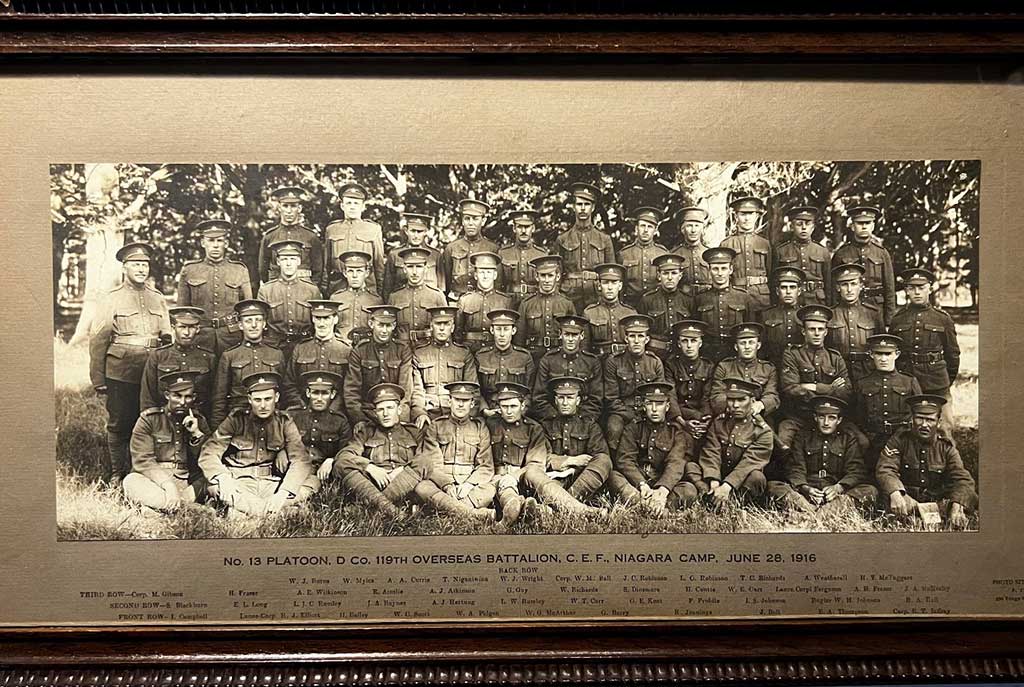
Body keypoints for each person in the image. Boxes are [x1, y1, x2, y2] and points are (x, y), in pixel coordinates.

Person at [89, 242, 173, 484]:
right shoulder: (111, 298)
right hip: (121, 371)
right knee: (120, 423)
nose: (141, 269)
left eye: (145, 264)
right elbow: (98, 340)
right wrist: (98, 379)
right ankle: (118, 472)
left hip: (152, 371)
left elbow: (167, 337)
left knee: (151, 420)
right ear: (124, 267)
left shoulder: (157, 298)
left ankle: (145, 471)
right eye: (135, 264)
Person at [199, 371, 312, 516]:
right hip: (238, 482)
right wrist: (223, 478)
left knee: (311, 482)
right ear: (249, 399)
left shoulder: (284, 422)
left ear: (277, 397)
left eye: (268, 399)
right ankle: (273, 512)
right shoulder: (236, 419)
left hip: (270, 482)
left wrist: (283, 492)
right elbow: (209, 453)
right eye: (257, 400)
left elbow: (300, 459)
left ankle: (243, 511)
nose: (263, 405)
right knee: (216, 486)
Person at [876, 394, 977, 529]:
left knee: (966, 504)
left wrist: (958, 504)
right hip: (907, 502)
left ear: (939, 422)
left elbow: (963, 479)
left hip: (936, 503)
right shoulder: (899, 441)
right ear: (912, 419)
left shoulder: (946, 447)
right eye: (919, 418)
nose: (924, 425)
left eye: (930, 420)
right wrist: (895, 492)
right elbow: (886, 469)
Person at [768, 395, 878, 515]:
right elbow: (796, 467)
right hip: (808, 493)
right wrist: (806, 488)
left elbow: (855, 470)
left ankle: (814, 513)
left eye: (832, 418)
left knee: (869, 491)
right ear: (815, 417)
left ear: (839, 420)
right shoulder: (803, 436)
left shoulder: (848, 438)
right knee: (774, 486)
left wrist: (839, 487)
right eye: (822, 417)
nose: (826, 423)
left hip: (835, 495)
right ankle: (819, 512)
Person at [608, 381, 703, 515]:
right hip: (638, 482)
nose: (654, 409)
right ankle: (655, 508)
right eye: (649, 403)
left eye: (659, 404)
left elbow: (675, 463)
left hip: (661, 480)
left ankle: (645, 505)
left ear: (667, 406)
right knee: (613, 477)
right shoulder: (633, 428)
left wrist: (663, 489)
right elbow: (625, 460)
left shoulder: (675, 432)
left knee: (689, 490)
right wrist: (641, 484)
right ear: (643, 406)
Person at [333, 383, 425, 517]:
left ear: (399, 409)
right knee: (341, 465)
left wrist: (403, 469)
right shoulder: (366, 432)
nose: (385, 414)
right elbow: (345, 456)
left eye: (390, 408)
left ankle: (372, 507)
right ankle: (394, 511)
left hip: (405, 483)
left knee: (424, 463)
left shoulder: (413, 432)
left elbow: (424, 459)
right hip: (374, 484)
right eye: (381, 409)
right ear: (375, 413)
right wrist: (369, 467)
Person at [123, 371, 210, 512]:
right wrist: (168, 486)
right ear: (167, 395)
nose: (182, 402)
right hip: (155, 480)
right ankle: (191, 509)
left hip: (187, 482)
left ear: (194, 397)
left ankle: (159, 509)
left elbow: (207, 459)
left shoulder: (199, 421)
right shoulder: (149, 419)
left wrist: (196, 434)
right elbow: (143, 461)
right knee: (131, 481)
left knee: (213, 479)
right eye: (177, 396)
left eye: (188, 397)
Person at [414, 381, 497, 521]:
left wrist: (469, 484)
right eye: (457, 400)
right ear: (449, 401)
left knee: (489, 489)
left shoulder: (480, 427)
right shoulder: (436, 426)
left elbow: (486, 466)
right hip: (441, 483)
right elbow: (432, 463)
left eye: (465, 401)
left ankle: (443, 510)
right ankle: (472, 514)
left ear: (472, 403)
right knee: (422, 487)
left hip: (469, 484)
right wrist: (446, 485)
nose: (460, 404)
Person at [777, 305, 853, 450]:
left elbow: (846, 392)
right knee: (783, 444)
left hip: (831, 418)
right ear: (803, 331)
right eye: (812, 329)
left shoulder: (835, 357)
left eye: (820, 329)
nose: (817, 333)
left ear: (826, 331)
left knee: (862, 442)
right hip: (799, 417)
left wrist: (809, 386)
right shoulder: (792, 354)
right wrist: (829, 388)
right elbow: (790, 388)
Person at [890, 268, 961, 421]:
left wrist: (945, 380)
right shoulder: (898, 319)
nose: (917, 292)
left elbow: (953, 354)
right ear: (906, 290)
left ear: (930, 288)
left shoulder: (942, 319)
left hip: (936, 381)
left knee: (944, 426)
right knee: (908, 424)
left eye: (921, 288)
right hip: (907, 380)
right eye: (912, 288)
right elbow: (893, 352)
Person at [177, 219, 252, 356]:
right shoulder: (190, 270)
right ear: (203, 243)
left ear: (226, 243)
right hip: (200, 336)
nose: (215, 245)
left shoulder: (239, 270)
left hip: (231, 336)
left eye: (219, 240)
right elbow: (182, 310)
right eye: (211, 240)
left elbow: (247, 309)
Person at [210, 299, 288, 429]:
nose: (254, 325)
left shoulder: (276, 354)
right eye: (248, 321)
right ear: (240, 325)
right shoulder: (229, 356)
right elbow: (219, 398)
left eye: (258, 320)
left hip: (271, 422)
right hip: (239, 422)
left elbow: (284, 394)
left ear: (264, 324)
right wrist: (217, 430)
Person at [698, 378, 774, 507]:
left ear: (752, 401)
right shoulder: (718, 423)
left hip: (740, 480)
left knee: (757, 478)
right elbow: (711, 453)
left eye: (741, 399)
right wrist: (714, 481)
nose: (735, 405)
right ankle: (711, 497)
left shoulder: (762, 431)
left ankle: (736, 504)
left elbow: (748, 463)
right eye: (731, 399)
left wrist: (727, 486)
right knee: (692, 467)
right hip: (719, 475)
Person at [537, 377, 613, 505]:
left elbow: (599, 457)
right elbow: (542, 457)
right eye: (561, 398)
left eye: (570, 398)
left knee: (604, 460)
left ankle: (566, 502)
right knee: (547, 487)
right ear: (555, 400)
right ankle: (570, 504)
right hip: (555, 476)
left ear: (577, 401)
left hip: (583, 477)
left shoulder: (589, 425)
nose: (565, 403)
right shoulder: (545, 425)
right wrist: (571, 460)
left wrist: (572, 471)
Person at [853, 334, 923, 468]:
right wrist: (863, 438)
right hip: (873, 441)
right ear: (871, 354)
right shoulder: (862, 383)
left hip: (902, 440)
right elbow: (856, 417)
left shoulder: (909, 382)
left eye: (888, 354)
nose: (883, 359)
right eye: (878, 354)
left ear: (897, 354)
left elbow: (919, 413)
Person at [485, 382, 548, 526]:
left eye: (513, 406)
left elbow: (535, 465)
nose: (509, 411)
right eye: (504, 406)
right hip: (493, 477)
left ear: (523, 406)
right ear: (499, 407)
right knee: (497, 487)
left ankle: (515, 508)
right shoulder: (490, 424)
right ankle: (524, 507)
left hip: (520, 479)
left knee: (508, 484)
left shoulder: (533, 428)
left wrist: (512, 476)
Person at [603, 314, 667, 450]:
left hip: (649, 410)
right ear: (626, 338)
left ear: (647, 339)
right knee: (614, 427)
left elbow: (660, 395)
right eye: (632, 336)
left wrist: (646, 412)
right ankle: (614, 460)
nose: (636, 341)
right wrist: (631, 415)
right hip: (622, 411)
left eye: (641, 336)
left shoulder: (655, 362)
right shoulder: (614, 362)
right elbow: (611, 398)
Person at [343, 305, 414, 428]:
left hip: (394, 412)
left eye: (388, 325)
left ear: (394, 326)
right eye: (380, 325)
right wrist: (359, 419)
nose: (384, 330)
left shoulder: (402, 350)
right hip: (368, 412)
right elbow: (351, 391)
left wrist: (401, 418)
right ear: (371, 324)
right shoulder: (360, 351)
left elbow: (406, 390)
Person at [139, 306, 215, 419]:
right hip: (165, 418)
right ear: (173, 327)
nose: (187, 332)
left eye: (191, 327)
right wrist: (152, 421)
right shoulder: (159, 356)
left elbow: (214, 397)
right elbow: (148, 396)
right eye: (182, 327)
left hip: (198, 418)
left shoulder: (208, 358)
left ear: (198, 329)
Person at [410, 305, 479, 426]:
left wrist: (467, 417)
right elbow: (417, 390)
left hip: (456, 413)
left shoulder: (463, 354)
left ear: (452, 327)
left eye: (446, 324)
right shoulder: (420, 354)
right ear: (431, 326)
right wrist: (420, 413)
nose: (442, 328)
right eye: (438, 324)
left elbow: (472, 389)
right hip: (428, 412)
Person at [289, 371, 352, 501]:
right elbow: (281, 439)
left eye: (324, 393)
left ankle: (288, 502)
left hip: (319, 471)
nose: (319, 398)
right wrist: (281, 453)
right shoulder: (294, 416)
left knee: (304, 490)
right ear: (308, 393)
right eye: (315, 393)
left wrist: (331, 460)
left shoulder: (339, 421)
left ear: (332, 394)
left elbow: (346, 450)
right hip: (293, 467)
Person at [830, 205, 896, 327]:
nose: (864, 226)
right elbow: (833, 288)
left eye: (868, 223)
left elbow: (890, 289)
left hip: (877, 308)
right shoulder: (841, 253)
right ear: (852, 226)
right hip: (848, 309)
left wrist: (889, 321)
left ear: (873, 226)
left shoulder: (882, 253)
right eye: (860, 223)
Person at [530, 314, 603, 422]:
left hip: (583, 419)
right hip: (552, 419)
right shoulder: (548, 360)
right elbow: (539, 397)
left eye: (574, 335)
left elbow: (596, 398)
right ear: (560, 335)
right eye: (567, 334)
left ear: (582, 336)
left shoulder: (592, 362)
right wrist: (554, 417)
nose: (570, 339)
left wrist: (582, 418)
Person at [256, 239, 321, 360]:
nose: (289, 263)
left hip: (303, 346)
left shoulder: (312, 290)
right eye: (284, 259)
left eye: (292, 259)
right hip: (274, 347)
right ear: (278, 262)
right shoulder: (266, 291)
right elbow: (260, 323)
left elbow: (318, 322)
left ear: (299, 261)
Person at [556, 182, 616, 311]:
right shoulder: (562, 239)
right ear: (573, 207)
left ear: (593, 207)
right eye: (579, 204)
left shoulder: (604, 239)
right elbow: (557, 274)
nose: (583, 208)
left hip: (596, 295)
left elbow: (611, 274)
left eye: (587, 204)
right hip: (569, 295)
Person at [692, 246, 757, 362]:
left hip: (735, 354)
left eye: (724, 268)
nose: (720, 273)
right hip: (707, 354)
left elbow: (750, 328)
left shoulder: (743, 297)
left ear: (730, 270)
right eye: (715, 269)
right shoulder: (700, 298)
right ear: (709, 270)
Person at [285, 300, 351, 411]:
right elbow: (289, 383)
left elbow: (349, 387)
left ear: (335, 319)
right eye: (318, 318)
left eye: (326, 318)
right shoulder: (301, 348)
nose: (321, 324)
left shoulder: (345, 350)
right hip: (304, 410)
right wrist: (302, 406)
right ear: (313, 319)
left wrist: (334, 409)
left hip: (337, 413)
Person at [323, 181, 386, 295]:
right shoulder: (332, 229)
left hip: (366, 287)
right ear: (342, 206)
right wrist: (324, 289)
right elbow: (326, 265)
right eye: (349, 203)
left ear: (363, 206)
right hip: (338, 287)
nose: (352, 207)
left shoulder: (373, 229)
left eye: (356, 203)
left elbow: (379, 265)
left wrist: (380, 292)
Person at [708, 322, 780, 420]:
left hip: (757, 417)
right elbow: (717, 396)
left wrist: (760, 404)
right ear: (736, 347)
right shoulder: (724, 367)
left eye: (751, 342)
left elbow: (772, 395)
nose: (747, 347)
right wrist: (737, 407)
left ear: (758, 345)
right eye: (743, 343)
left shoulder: (768, 369)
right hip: (730, 416)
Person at [257, 186, 323, 289]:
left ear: (299, 208)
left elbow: (318, 271)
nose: (289, 210)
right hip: (277, 289)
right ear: (279, 208)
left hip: (304, 289)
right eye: (285, 206)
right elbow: (263, 271)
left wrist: (311, 290)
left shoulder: (310, 237)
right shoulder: (269, 237)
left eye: (293, 206)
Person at [828, 262, 884, 381]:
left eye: (853, 284)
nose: (849, 289)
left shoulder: (873, 313)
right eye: (844, 285)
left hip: (867, 371)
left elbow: (881, 346)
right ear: (838, 288)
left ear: (861, 286)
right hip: (839, 372)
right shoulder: (830, 314)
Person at [515, 255, 576, 362]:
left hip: (559, 357)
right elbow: (519, 340)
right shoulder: (526, 304)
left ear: (557, 277)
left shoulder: (567, 304)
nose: (546, 280)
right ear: (537, 277)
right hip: (534, 356)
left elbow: (574, 335)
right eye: (543, 275)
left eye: (550, 275)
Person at [476, 309, 535, 416]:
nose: (502, 334)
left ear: (513, 331)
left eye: (506, 329)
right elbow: (476, 390)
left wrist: (520, 412)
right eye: (498, 329)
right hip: (490, 411)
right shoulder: (481, 356)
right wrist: (484, 410)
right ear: (492, 330)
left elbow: (530, 392)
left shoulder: (524, 357)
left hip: (516, 413)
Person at [388, 246, 448, 347]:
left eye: (419, 267)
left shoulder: (437, 296)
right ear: (404, 269)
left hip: (428, 348)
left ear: (426, 268)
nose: (414, 272)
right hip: (402, 348)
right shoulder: (394, 297)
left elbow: (445, 328)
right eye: (410, 267)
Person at [664, 320, 714, 440]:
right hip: (678, 415)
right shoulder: (671, 365)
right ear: (679, 344)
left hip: (701, 415)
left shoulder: (708, 366)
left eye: (693, 341)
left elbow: (707, 397)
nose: (689, 346)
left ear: (700, 343)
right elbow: (671, 396)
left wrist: (705, 420)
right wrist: (682, 422)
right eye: (685, 341)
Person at [721, 195, 772, 310]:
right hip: (735, 294)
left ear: (757, 216)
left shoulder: (765, 244)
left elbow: (771, 272)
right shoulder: (726, 244)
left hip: (761, 296)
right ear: (736, 216)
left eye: (751, 214)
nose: (747, 218)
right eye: (743, 214)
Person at [772, 206, 831, 305]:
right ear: (792, 226)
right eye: (799, 224)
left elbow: (829, 284)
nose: (804, 228)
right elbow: (774, 282)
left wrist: (829, 306)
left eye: (808, 224)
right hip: (790, 301)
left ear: (813, 227)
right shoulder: (781, 251)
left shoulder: (822, 251)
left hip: (816, 301)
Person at [442, 198, 499, 300]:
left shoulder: (493, 249)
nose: (470, 223)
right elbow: (446, 280)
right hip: (456, 299)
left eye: (475, 219)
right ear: (462, 221)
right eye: (467, 219)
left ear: (483, 221)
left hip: (482, 300)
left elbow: (497, 283)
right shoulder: (451, 248)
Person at [456, 252, 511, 352]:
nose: (485, 276)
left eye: (489, 272)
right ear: (476, 275)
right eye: (482, 272)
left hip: (495, 350)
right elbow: (458, 332)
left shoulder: (505, 301)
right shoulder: (465, 300)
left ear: (495, 275)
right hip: (470, 349)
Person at [640, 253, 691, 362]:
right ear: (659, 276)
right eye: (665, 273)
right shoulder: (647, 300)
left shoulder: (688, 300)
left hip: (681, 354)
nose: (670, 277)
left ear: (680, 276)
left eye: (674, 273)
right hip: (655, 353)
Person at [328, 250, 383, 347]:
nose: (354, 276)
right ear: (345, 273)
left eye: (359, 271)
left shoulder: (376, 300)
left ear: (367, 273)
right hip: (341, 348)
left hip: (366, 349)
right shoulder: (335, 298)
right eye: (350, 271)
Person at [383, 212, 444, 299]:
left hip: (429, 302)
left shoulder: (435, 255)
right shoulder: (395, 255)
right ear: (406, 231)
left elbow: (441, 288)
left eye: (419, 232)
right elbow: (387, 288)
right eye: (412, 231)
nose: (416, 236)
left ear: (426, 232)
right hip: (402, 301)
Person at [582, 263, 638, 358]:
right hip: (599, 360)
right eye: (605, 283)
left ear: (620, 286)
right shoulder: (589, 313)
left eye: (614, 282)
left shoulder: (630, 313)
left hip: (625, 360)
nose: (610, 287)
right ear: (599, 286)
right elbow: (584, 347)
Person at [757, 267, 806, 368]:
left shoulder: (805, 315)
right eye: (784, 287)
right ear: (777, 291)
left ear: (799, 291)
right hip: (773, 366)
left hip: (800, 367)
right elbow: (761, 348)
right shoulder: (766, 315)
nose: (788, 291)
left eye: (792, 287)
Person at [620, 206, 669, 307]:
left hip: (656, 305)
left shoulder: (663, 254)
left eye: (650, 227)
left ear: (655, 230)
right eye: (642, 226)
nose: (646, 230)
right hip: (631, 304)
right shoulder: (624, 254)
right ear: (636, 228)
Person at [499, 209, 546, 308]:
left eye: (527, 227)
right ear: (514, 228)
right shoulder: (504, 253)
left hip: (534, 303)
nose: (523, 231)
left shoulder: (541, 254)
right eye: (520, 227)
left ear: (533, 228)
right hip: (509, 303)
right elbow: (498, 285)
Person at [671, 206, 711, 300]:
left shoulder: (709, 253)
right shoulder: (675, 254)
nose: (693, 230)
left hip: (706, 299)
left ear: (702, 229)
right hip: (683, 299)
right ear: (682, 229)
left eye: (697, 226)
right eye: (689, 226)